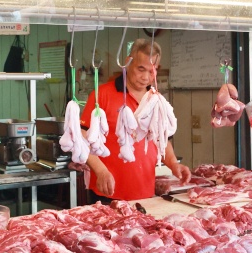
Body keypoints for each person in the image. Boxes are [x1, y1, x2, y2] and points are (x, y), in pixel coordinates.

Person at [81, 38, 191, 201]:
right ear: (128, 62)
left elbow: (162, 139)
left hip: (145, 192)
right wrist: (100, 171)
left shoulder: (156, 99)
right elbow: (83, 137)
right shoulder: (102, 95)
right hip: (107, 192)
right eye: (141, 69)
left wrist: (173, 163)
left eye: (152, 71)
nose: (146, 77)